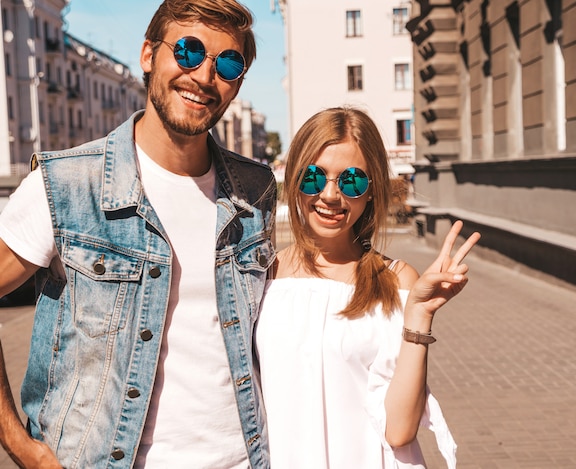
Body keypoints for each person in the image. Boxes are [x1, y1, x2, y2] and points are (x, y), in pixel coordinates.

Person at [0, 1, 275, 468]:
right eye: (188, 52)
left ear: (238, 83)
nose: (205, 77)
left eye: (227, 64)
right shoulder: (66, 185)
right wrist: (20, 445)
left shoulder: (256, 190)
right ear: (149, 54)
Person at [254, 107, 481, 469]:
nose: (330, 195)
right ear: (293, 179)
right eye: (313, 177)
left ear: (372, 191)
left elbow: (399, 432)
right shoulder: (261, 274)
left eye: (352, 181)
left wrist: (420, 315)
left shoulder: (396, 280)